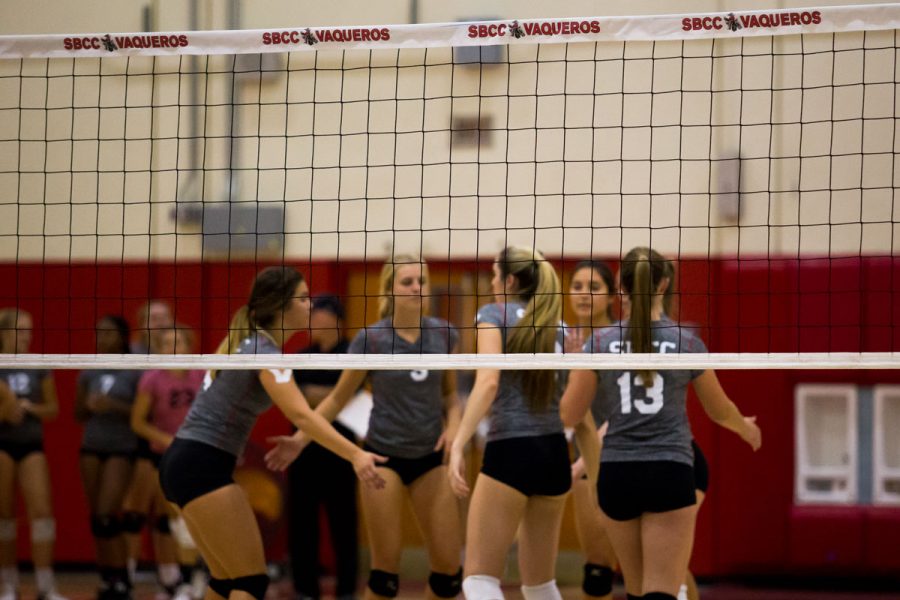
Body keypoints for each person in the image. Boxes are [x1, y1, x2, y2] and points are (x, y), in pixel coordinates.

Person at [158, 266, 386, 600]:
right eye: (304, 298)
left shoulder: (253, 346)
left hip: (190, 463)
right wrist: (356, 454)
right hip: (200, 465)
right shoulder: (263, 353)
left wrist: (297, 443)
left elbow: (303, 417)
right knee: (249, 582)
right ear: (281, 306)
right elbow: (300, 414)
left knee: (226, 582)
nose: (311, 305)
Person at [560, 247, 761, 600]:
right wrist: (745, 427)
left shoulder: (599, 344)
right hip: (669, 469)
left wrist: (574, 368)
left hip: (617, 475)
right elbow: (718, 410)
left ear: (620, 288)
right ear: (665, 284)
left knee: (636, 592)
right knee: (663, 592)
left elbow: (570, 415)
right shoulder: (686, 343)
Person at [267, 257, 463, 600]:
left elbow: (450, 397)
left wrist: (455, 430)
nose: (417, 287)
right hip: (382, 457)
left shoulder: (445, 334)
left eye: (422, 280)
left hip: (430, 458)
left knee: (449, 575)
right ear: (389, 289)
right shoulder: (370, 340)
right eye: (407, 282)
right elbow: (337, 399)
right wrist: (300, 440)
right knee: (385, 576)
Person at [448, 246, 594, 600]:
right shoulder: (558, 325)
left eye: (496, 275)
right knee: (540, 585)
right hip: (554, 454)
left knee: (478, 579)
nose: (494, 282)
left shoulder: (493, 314)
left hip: (511, 450)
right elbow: (576, 403)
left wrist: (457, 443)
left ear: (510, 280)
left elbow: (488, 381)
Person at [286, 295, 360, 600]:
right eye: (311, 314)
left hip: (341, 453)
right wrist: (332, 398)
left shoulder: (354, 353)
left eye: (319, 314)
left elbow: (350, 399)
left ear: (337, 319)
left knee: (344, 526)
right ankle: (306, 590)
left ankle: (346, 592)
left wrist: (320, 398)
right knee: (302, 526)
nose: (313, 319)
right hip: (302, 452)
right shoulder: (301, 356)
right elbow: (295, 403)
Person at [131, 326, 205, 600]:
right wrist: (167, 439)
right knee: (175, 518)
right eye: (166, 344)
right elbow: (137, 422)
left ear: (189, 345)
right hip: (165, 456)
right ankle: (183, 581)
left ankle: (198, 576)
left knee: (199, 518)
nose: (173, 348)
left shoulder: (201, 374)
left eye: (178, 342)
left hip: (197, 453)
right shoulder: (152, 378)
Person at [0, 308, 66, 600]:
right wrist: (5, 412)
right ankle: (9, 584)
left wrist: (28, 407)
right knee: (4, 516)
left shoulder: (38, 364)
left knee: (41, 513)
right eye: (20, 329)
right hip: (2, 444)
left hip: (30, 445)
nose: (26, 335)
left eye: (29, 329)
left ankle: (45, 585)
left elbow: (53, 409)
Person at [77, 316, 144, 600]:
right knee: (96, 518)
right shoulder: (88, 370)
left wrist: (113, 405)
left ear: (122, 336)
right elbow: (77, 414)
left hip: (122, 447)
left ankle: (122, 578)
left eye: (107, 332)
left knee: (108, 515)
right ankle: (107, 577)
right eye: (98, 332)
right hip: (91, 445)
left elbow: (142, 413)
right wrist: (88, 405)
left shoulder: (134, 369)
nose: (101, 337)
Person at [565, 261, 619, 600]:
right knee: (597, 570)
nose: (585, 294)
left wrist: (582, 465)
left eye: (594, 287)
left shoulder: (622, 341)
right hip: (583, 462)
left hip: (623, 457)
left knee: (661, 568)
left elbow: (621, 415)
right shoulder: (565, 340)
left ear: (612, 296)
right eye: (578, 286)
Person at [123, 300, 175, 583]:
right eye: (152, 318)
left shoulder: (180, 352)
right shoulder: (130, 354)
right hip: (135, 441)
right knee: (135, 511)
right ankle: (127, 573)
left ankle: (171, 577)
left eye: (163, 317)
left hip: (171, 441)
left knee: (167, 514)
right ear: (141, 323)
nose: (159, 322)